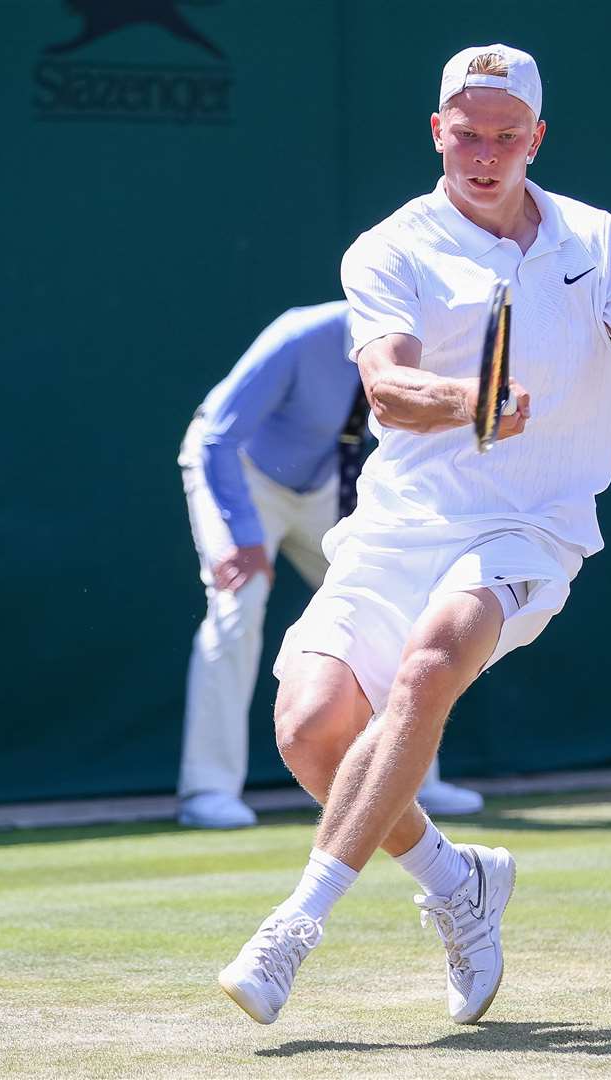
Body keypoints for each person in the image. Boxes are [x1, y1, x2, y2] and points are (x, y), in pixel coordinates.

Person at [216, 44, 611, 1026]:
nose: (484, 156)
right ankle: (456, 882)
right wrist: (471, 401)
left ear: (537, 138)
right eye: (466, 136)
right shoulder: (388, 248)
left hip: (534, 524)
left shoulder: (600, 241)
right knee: (312, 732)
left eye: (505, 138)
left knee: (430, 663)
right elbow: (389, 387)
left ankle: (294, 927)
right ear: (438, 132)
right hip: (401, 521)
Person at [176, 301, 485, 829]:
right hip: (241, 479)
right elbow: (217, 439)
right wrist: (246, 538)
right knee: (237, 606)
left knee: (392, 611)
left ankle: (412, 783)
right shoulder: (299, 335)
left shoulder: (426, 352)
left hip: (323, 487)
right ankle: (207, 791)